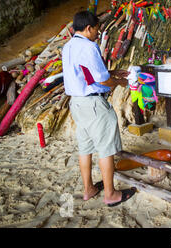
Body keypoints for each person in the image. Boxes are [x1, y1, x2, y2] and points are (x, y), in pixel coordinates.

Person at [62, 11, 136, 207]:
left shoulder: (68, 46)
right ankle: (110, 194)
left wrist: (112, 72)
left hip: (77, 104)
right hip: (93, 105)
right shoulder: (89, 46)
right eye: (96, 29)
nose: (98, 32)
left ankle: (88, 189)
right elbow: (102, 80)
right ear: (88, 28)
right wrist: (119, 81)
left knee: (85, 148)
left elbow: (85, 73)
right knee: (105, 149)